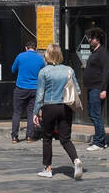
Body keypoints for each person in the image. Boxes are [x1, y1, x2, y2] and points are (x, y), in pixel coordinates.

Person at [32, 44, 83, 180]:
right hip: (65, 106)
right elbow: (77, 90)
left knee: (47, 138)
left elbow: (40, 95)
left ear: (47, 55)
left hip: (49, 107)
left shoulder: (44, 72)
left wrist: (36, 112)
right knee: (65, 139)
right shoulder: (69, 70)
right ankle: (76, 160)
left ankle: (47, 168)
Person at [82, 27, 109, 151]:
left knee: (96, 114)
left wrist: (103, 89)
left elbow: (106, 72)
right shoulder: (94, 51)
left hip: (97, 88)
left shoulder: (102, 53)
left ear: (97, 39)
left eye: (91, 38)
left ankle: (98, 142)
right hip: (91, 87)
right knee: (93, 114)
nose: (89, 40)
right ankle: (102, 141)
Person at [10, 41, 44, 143]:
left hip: (21, 88)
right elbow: (43, 74)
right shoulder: (40, 59)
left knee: (17, 113)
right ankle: (29, 137)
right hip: (34, 89)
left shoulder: (20, 56)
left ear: (26, 48)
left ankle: (14, 137)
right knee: (31, 113)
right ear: (36, 48)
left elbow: (13, 69)